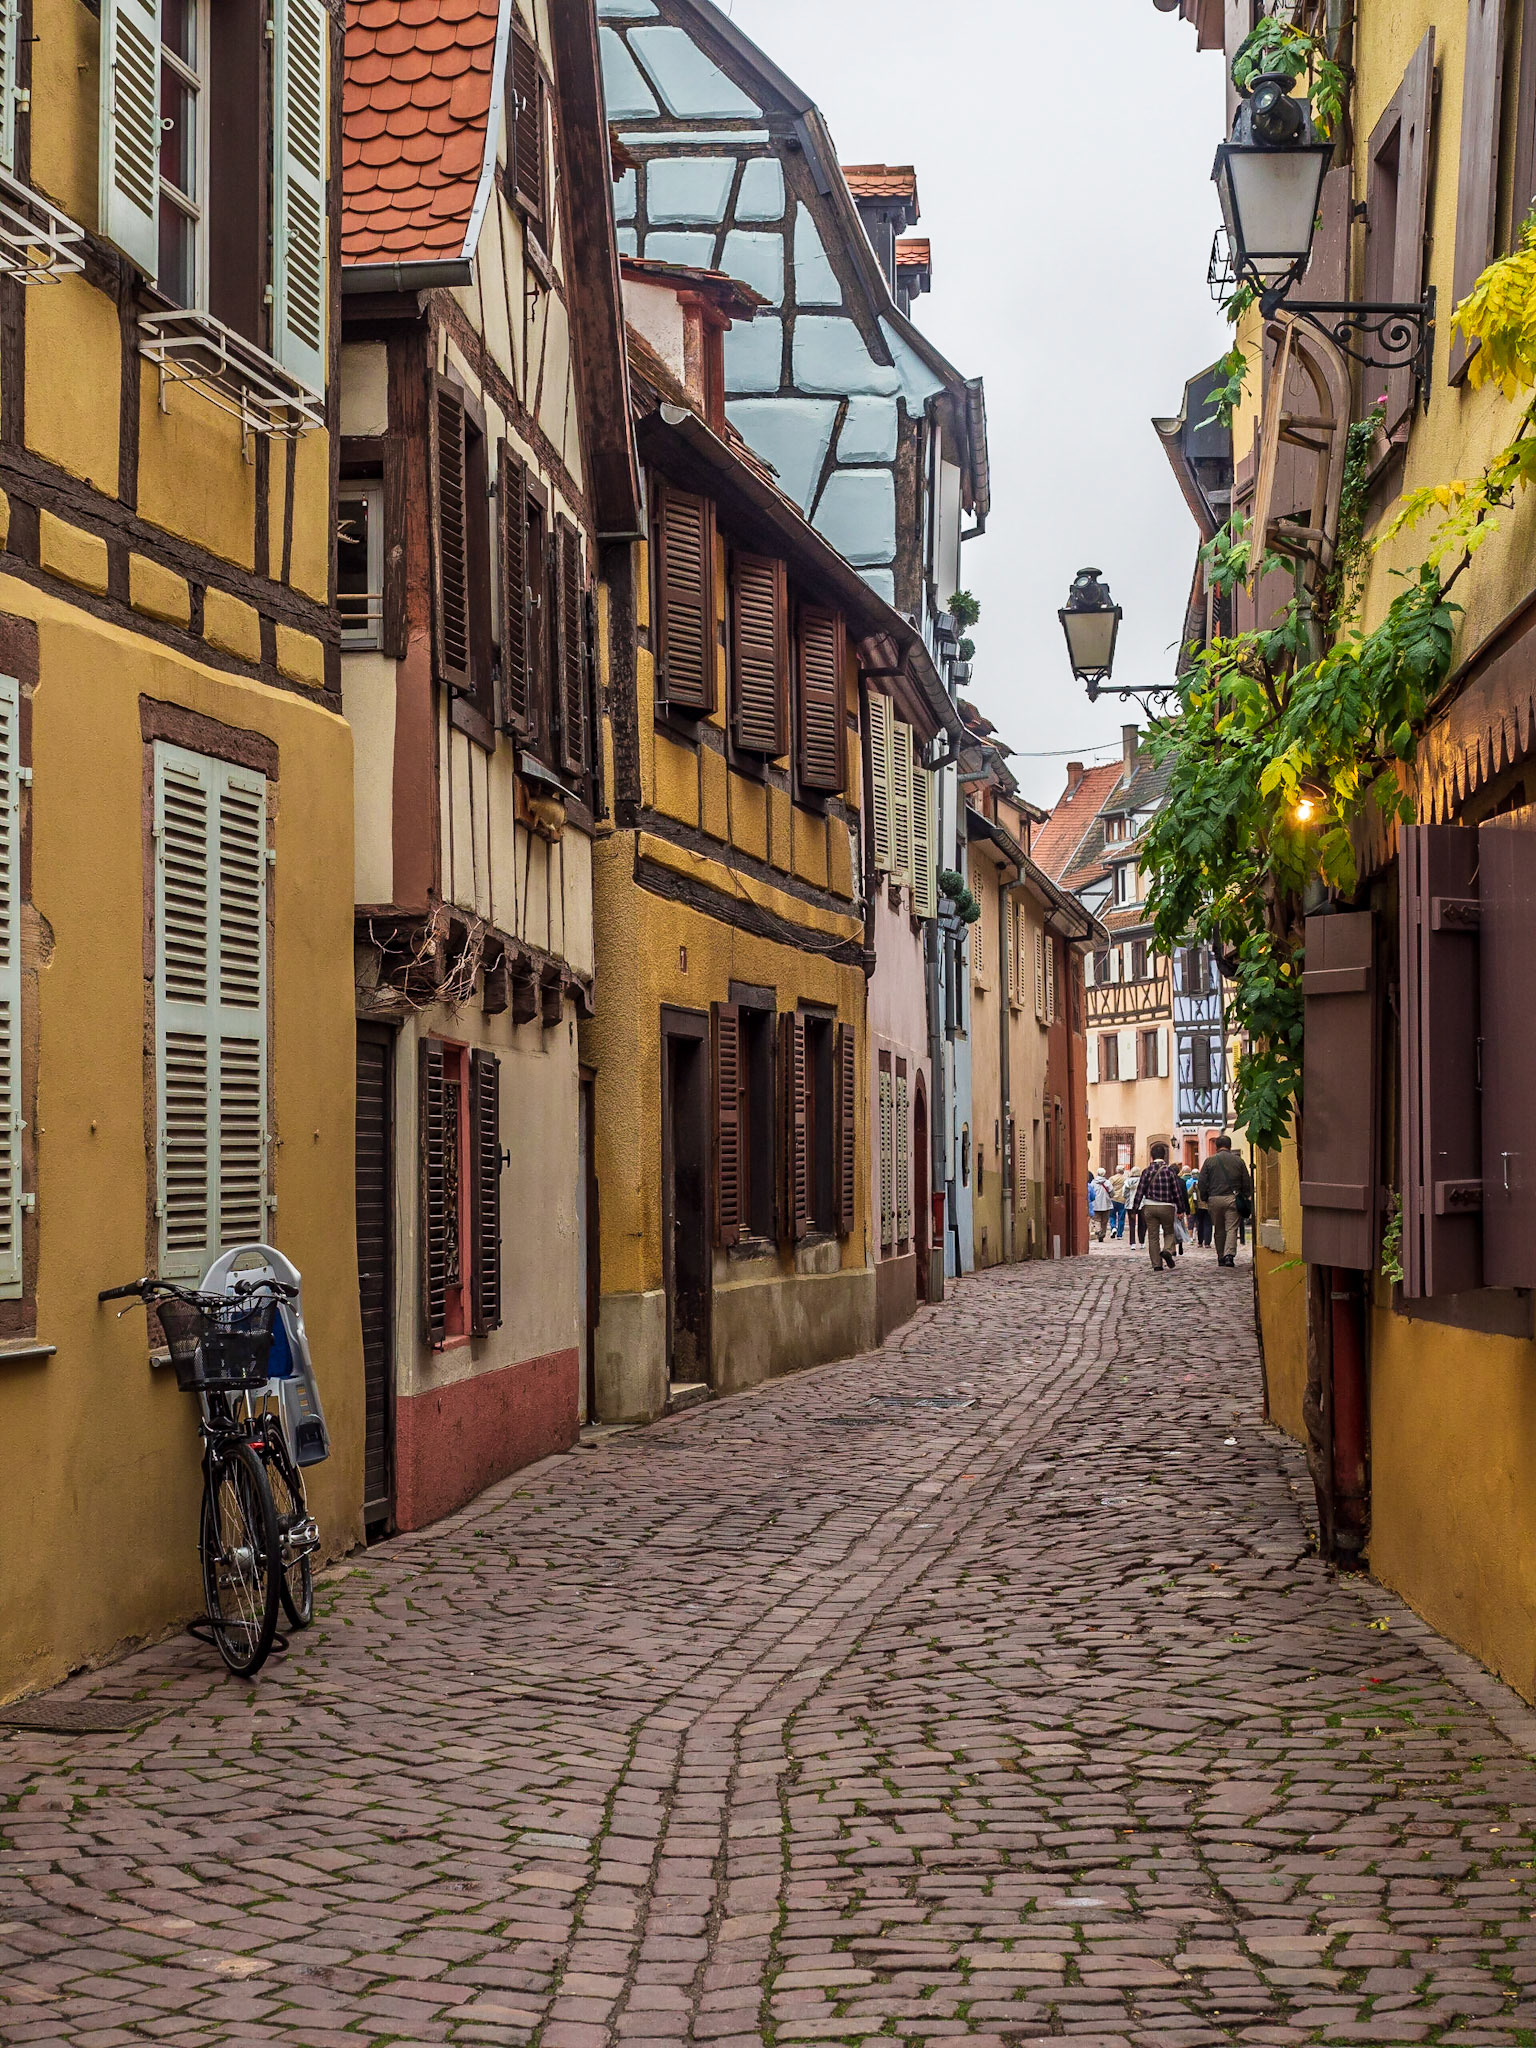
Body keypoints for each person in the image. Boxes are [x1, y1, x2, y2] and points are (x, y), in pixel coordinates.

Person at [1198, 1135, 1254, 1267]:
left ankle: (1220, 1256)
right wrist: (1245, 1196)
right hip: (1232, 1198)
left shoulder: (1209, 1161)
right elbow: (1246, 1181)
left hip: (1214, 1199)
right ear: (1229, 1146)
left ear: (1217, 1146)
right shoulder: (1238, 1161)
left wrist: (1205, 1197)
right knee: (1231, 1228)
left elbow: (1202, 1182)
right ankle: (1229, 1255)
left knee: (1219, 1229)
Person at [1132, 1141, 1188, 1272]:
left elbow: (1140, 1190)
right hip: (1167, 1206)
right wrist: (1180, 1209)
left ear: (1151, 1156)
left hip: (1149, 1206)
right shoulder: (1169, 1172)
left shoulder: (1146, 1171)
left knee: (1153, 1236)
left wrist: (1134, 1209)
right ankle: (1167, 1250)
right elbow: (1176, 1192)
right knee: (1169, 1232)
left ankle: (1156, 1264)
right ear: (1165, 1156)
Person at [1109, 1167, 1127, 1240]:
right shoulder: (1125, 1179)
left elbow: (1109, 1187)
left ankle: (1113, 1227)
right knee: (1121, 1218)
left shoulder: (1112, 1178)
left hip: (1113, 1199)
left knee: (1112, 1215)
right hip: (1122, 1199)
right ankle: (1119, 1234)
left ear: (1116, 1170)